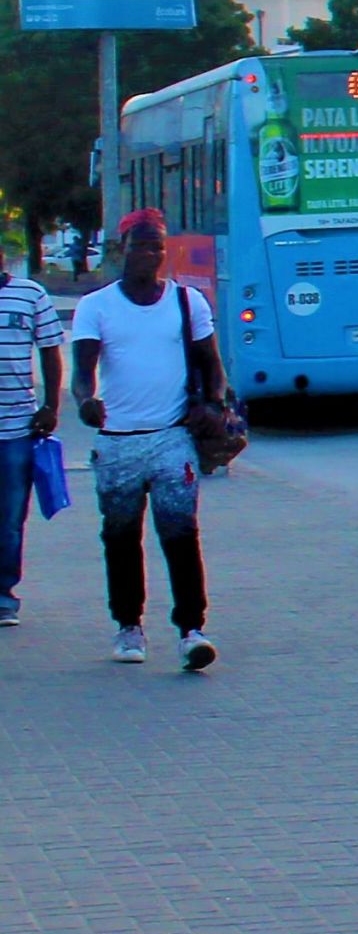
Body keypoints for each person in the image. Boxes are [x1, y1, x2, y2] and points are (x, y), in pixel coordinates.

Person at [72, 208, 226, 671]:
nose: (151, 255)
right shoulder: (96, 307)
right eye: (142, 246)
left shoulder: (187, 302)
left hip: (171, 437)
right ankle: (129, 626)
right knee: (120, 536)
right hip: (118, 442)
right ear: (122, 251)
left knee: (180, 534)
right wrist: (85, 401)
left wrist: (213, 405)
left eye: (158, 246)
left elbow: (211, 366)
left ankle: (191, 629)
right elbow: (82, 374)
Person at [0, 238, 60, 625]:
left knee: (8, 516)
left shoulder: (30, 294)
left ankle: (4, 594)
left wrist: (51, 405)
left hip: (16, 429)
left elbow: (52, 349)